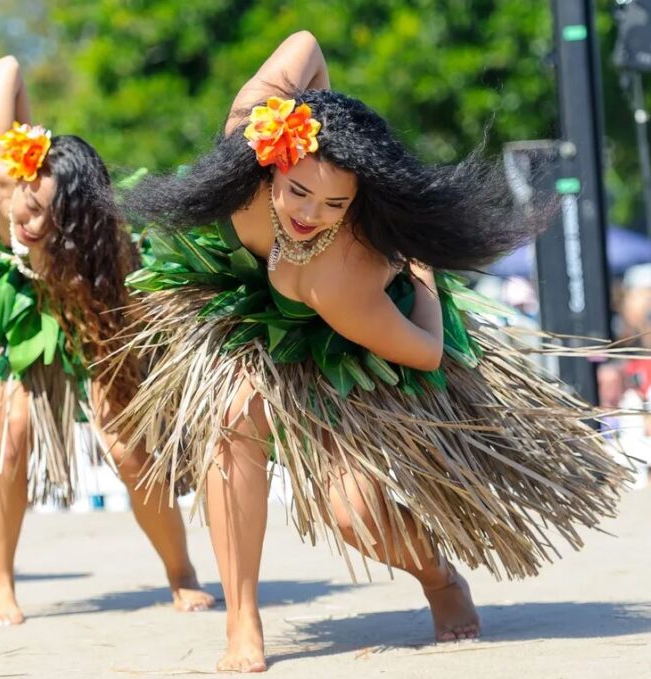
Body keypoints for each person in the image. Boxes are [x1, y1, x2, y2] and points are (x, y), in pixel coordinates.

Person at [112, 31, 630, 672]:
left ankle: (439, 577)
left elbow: (427, 353)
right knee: (232, 418)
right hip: (246, 313)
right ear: (273, 161)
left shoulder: (345, 275)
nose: (309, 213)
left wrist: (424, 281)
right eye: (299, 191)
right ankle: (242, 619)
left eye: (335, 203)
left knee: (353, 512)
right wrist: (325, 119)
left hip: (345, 341)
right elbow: (304, 43)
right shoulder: (256, 126)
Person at [0, 55, 213, 626]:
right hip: (25, 309)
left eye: (44, 215)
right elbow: (4, 68)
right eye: (24, 201)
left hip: (93, 316)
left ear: (75, 219)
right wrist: (26, 131)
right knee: (13, 428)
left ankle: (181, 571)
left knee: (128, 450)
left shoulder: (106, 248)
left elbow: (121, 317)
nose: (25, 219)